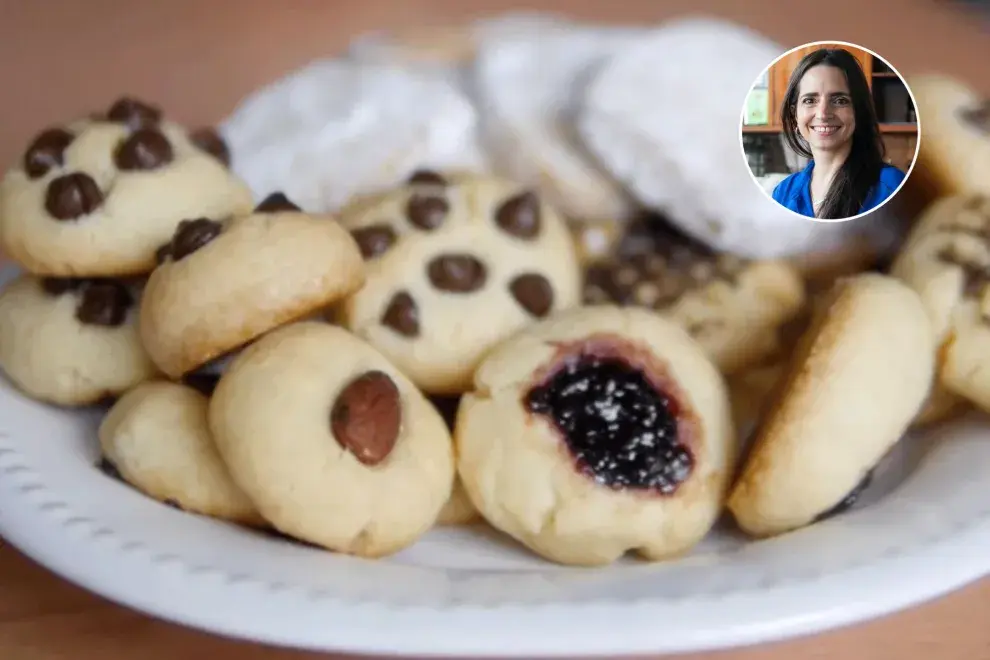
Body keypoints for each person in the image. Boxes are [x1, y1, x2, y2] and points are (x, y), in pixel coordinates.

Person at [770, 48, 906, 220]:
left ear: (858, 111)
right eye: (810, 100)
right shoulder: (783, 192)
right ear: (795, 114)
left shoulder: (891, 186)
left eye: (840, 100)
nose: (823, 114)